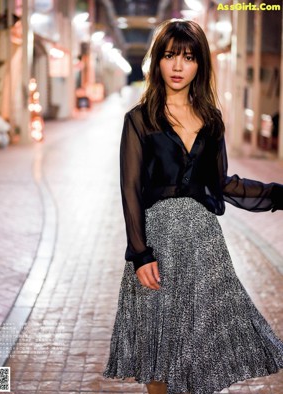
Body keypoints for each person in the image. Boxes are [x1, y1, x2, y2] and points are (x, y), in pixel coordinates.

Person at [103, 19, 283, 394]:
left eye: (188, 57)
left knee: (200, 348)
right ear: (158, 61)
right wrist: (140, 254)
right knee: (159, 350)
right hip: (157, 248)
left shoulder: (212, 119)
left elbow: (223, 184)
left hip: (204, 246)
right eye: (170, 56)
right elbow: (130, 190)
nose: (179, 66)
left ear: (200, 63)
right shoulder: (138, 120)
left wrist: (277, 195)